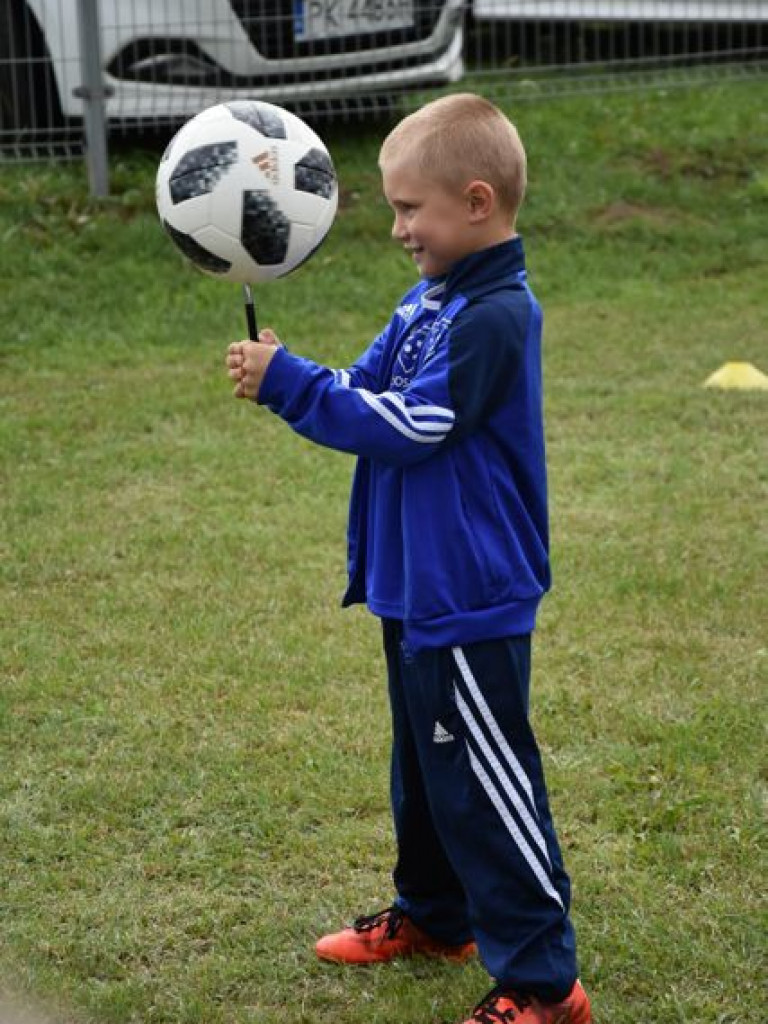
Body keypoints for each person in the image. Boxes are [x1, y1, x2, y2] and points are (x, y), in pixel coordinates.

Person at [225, 93, 591, 1024]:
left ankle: (544, 985)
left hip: (469, 591)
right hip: (415, 587)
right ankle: (436, 916)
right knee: (429, 772)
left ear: (476, 202)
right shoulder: (430, 300)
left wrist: (295, 388)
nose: (396, 228)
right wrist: (293, 374)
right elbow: (365, 386)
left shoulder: (496, 313)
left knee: (487, 784)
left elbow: (414, 425)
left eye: (408, 208)